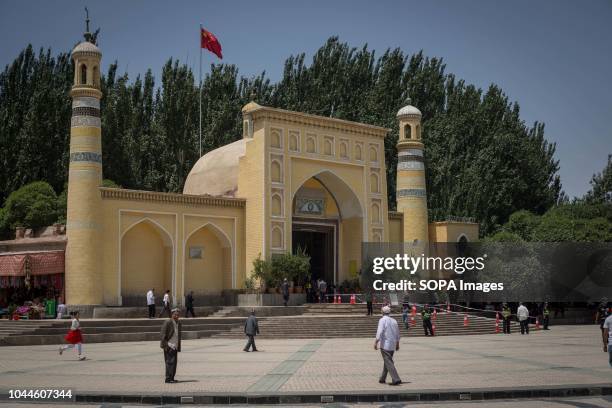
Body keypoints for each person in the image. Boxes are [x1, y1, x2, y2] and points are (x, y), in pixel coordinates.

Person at [374, 305, 402, 386]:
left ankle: (396, 379)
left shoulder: (382, 320)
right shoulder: (394, 320)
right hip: (392, 345)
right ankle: (382, 378)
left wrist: (376, 342)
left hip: (385, 345)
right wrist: (397, 343)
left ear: (382, 312)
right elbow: (397, 333)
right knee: (387, 361)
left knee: (388, 362)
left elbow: (380, 331)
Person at [160, 308, 182, 383]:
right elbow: (163, 334)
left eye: (178, 315)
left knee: (174, 363)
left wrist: (178, 346)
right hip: (169, 345)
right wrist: (165, 345)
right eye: (175, 314)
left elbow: (178, 335)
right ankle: (168, 378)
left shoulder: (179, 323)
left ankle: (172, 377)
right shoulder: (168, 322)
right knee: (169, 362)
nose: (176, 316)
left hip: (175, 345)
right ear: (172, 314)